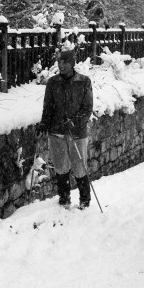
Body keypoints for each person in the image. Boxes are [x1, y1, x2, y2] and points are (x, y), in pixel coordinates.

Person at [36, 49, 93, 209]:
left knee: (79, 167)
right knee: (61, 166)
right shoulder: (52, 82)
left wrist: (74, 122)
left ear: (72, 63)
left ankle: (85, 200)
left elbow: (87, 108)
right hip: (56, 131)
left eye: (65, 62)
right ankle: (64, 199)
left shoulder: (84, 82)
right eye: (59, 62)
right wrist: (43, 124)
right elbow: (48, 107)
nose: (61, 65)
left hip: (77, 133)